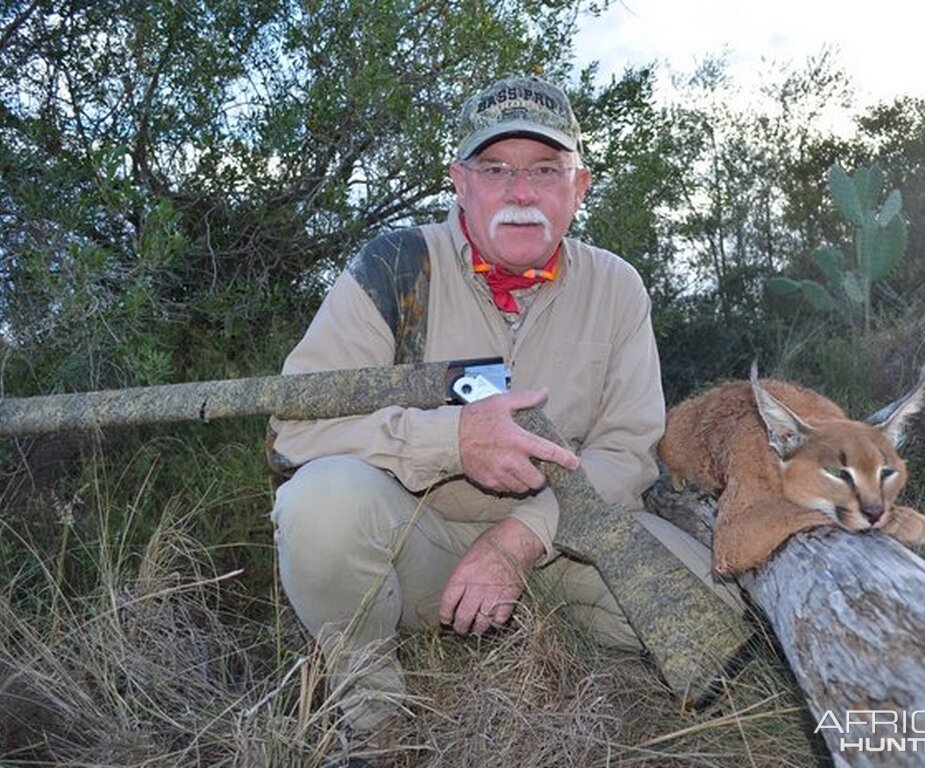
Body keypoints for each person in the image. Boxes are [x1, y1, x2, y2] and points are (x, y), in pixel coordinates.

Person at [267, 74, 739, 738]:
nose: (521, 192)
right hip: (421, 548)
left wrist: (520, 541)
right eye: (496, 169)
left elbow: (628, 453)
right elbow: (296, 428)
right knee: (318, 506)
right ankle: (374, 717)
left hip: (565, 542)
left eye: (546, 169)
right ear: (460, 181)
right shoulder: (396, 268)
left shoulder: (617, 286)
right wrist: (452, 441)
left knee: (717, 606)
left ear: (580, 186)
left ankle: (588, 678)